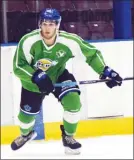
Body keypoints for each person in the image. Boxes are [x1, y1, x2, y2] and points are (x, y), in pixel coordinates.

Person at [11, 8, 122, 154]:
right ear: (39, 24)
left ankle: (68, 137)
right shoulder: (28, 41)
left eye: (51, 24)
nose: (47, 28)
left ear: (58, 25)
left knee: (73, 102)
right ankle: (26, 134)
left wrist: (105, 71)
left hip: (58, 76)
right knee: (25, 119)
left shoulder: (69, 41)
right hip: (33, 83)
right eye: (44, 24)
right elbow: (18, 66)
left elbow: (92, 55)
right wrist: (36, 76)